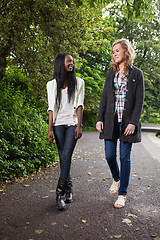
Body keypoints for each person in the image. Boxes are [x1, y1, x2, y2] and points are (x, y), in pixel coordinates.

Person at [96, 38, 144, 208]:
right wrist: (99, 118)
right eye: (113, 51)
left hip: (127, 123)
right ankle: (116, 178)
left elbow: (139, 101)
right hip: (110, 120)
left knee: (125, 158)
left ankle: (122, 194)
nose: (114, 54)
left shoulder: (137, 74)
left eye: (117, 50)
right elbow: (105, 97)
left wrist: (133, 122)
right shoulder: (111, 72)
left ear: (126, 51)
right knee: (109, 155)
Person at [47, 52, 85, 210]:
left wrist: (79, 125)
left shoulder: (79, 82)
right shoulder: (51, 84)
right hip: (57, 125)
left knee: (66, 156)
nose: (72, 64)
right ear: (60, 63)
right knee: (63, 158)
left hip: (71, 124)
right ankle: (69, 189)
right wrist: (49, 129)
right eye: (69, 61)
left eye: (72, 62)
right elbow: (51, 108)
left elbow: (80, 105)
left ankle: (59, 194)